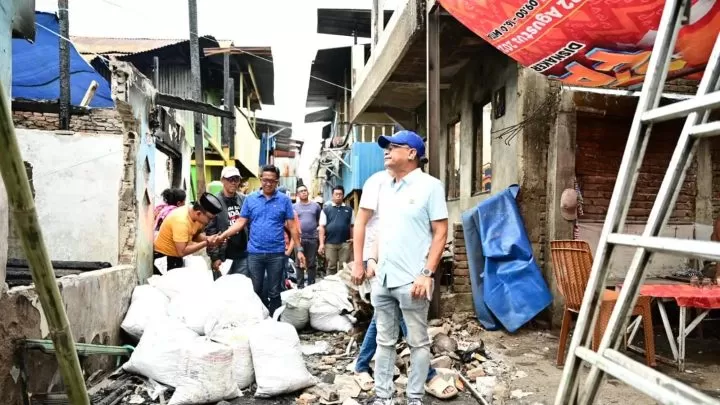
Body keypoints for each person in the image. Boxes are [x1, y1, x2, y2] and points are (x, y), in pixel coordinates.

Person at [352, 130, 449, 405]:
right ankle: (383, 396)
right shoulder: (386, 188)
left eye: (394, 146)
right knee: (384, 342)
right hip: (384, 279)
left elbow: (441, 233)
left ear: (411, 153)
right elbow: (382, 231)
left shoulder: (430, 187)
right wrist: (371, 260)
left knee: (418, 343)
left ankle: (414, 397)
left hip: (412, 281)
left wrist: (427, 273)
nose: (387, 151)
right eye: (387, 147)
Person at [218, 165, 306, 315]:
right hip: (255, 254)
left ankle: (274, 321)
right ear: (260, 179)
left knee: (275, 291)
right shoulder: (250, 199)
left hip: (276, 254)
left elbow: (292, 227)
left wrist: (299, 250)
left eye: (272, 181)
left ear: (277, 181)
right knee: (256, 289)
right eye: (265, 180)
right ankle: (259, 319)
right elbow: (240, 222)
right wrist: (223, 236)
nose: (268, 183)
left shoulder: (284, 200)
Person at [153, 192, 223, 274]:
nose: (210, 221)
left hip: (176, 256)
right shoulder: (181, 221)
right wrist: (206, 242)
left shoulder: (196, 217)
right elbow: (181, 252)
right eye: (209, 218)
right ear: (198, 213)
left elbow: (194, 236)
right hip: (164, 258)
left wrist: (210, 239)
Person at [205, 167, 250, 280]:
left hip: (243, 253)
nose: (233, 182)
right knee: (222, 286)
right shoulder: (214, 201)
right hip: (223, 255)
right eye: (230, 179)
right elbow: (210, 231)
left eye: (236, 179)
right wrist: (215, 257)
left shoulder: (244, 199)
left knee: (241, 284)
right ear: (222, 180)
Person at [319, 185, 354, 275]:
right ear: (332, 195)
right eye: (336, 194)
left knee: (344, 267)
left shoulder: (349, 210)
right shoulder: (326, 210)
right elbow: (322, 227)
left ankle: (342, 284)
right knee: (331, 266)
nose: (338, 196)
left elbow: (352, 226)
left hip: (345, 243)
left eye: (340, 194)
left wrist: (352, 238)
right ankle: (330, 284)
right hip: (330, 243)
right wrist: (321, 244)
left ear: (343, 195)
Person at [294, 184, 322, 287]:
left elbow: (319, 221)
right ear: (297, 194)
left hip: (312, 238)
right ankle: (300, 287)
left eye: (305, 190)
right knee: (299, 263)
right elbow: (291, 223)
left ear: (308, 192)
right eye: (301, 191)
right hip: (299, 239)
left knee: (311, 263)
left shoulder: (316, 206)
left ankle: (311, 286)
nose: (303, 192)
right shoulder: (294, 207)